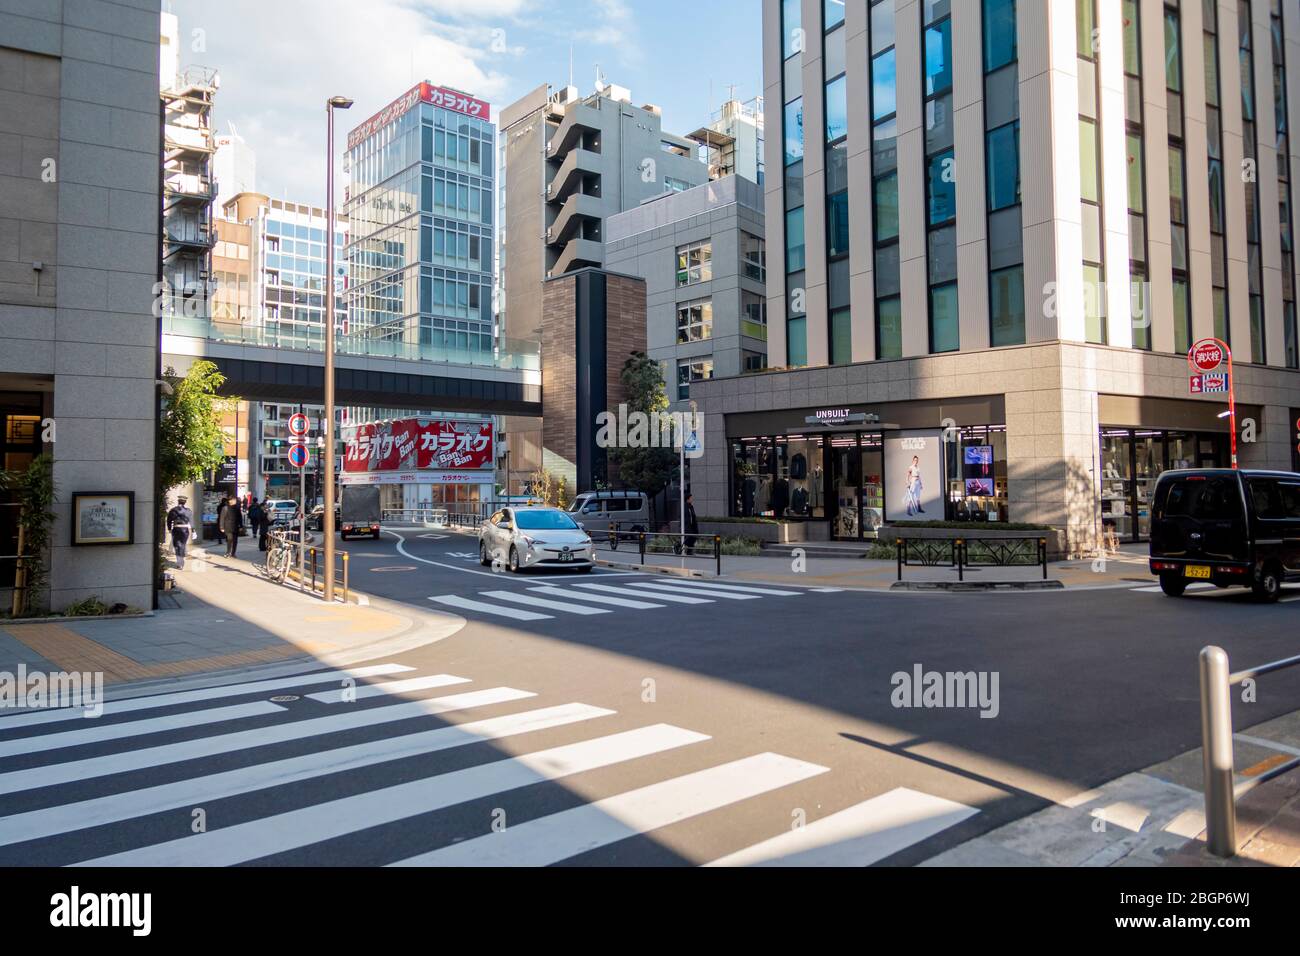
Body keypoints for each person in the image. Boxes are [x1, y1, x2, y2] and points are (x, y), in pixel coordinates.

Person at [165, 495, 194, 570]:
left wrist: (169, 528)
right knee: (183, 545)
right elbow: (191, 521)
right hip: (185, 529)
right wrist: (193, 530)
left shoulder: (173, 510)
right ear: (185, 502)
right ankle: (181, 562)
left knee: (177, 546)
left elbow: (169, 520)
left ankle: (179, 563)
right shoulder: (188, 511)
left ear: (178, 501)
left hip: (176, 529)